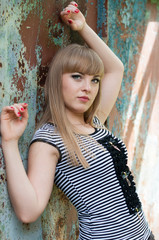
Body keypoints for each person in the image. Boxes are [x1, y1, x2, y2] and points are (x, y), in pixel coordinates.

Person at [0, 2, 154, 240]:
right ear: (56, 81)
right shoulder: (50, 139)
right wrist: (10, 142)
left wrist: (82, 27)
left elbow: (115, 69)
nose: (87, 87)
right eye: (77, 77)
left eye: (94, 80)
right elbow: (28, 212)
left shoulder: (94, 121)